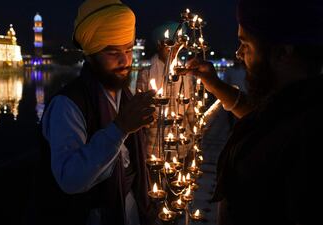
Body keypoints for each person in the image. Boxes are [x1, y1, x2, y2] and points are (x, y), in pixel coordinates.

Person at [186, 0, 322, 224]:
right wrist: (215, 85)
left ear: (282, 53)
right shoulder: (293, 104)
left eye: (246, 45)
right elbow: (264, 118)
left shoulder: (309, 139)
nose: (239, 54)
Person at [34, 0, 156, 225]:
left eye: (128, 50)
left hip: (129, 208)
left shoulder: (124, 93)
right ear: (90, 55)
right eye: (112, 53)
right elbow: (70, 179)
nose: (125, 61)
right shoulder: (67, 105)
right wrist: (120, 128)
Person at [136, 22, 194, 156]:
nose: (173, 49)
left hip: (182, 139)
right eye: (169, 45)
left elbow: (190, 108)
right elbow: (141, 107)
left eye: (177, 46)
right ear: (159, 45)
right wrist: (150, 117)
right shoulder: (146, 73)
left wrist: (196, 131)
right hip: (155, 142)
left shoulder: (186, 73)